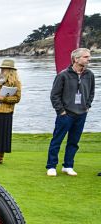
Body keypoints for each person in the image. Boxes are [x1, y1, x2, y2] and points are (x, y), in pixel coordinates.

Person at [46, 48, 95, 177]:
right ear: (76, 59)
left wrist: (87, 106)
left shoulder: (89, 75)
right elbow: (54, 95)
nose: (88, 59)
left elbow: (91, 93)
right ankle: (51, 166)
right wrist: (61, 111)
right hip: (66, 114)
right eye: (85, 57)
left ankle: (68, 165)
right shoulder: (63, 75)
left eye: (89, 57)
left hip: (81, 114)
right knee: (57, 140)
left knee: (73, 142)